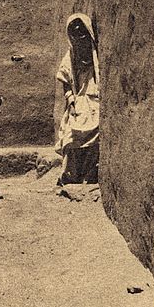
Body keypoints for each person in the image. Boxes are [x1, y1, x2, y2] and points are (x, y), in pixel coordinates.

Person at [55, 13, 99, 185]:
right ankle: (71, 176)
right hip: (78, 101)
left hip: (95, 101)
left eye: (82, 32)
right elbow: (65, 81)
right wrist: (71, 101)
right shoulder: (71, 56)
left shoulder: (95, 54)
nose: (79, 36)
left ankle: (89, 176)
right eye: (75, 33)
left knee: (95, 136)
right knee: (70, 136)